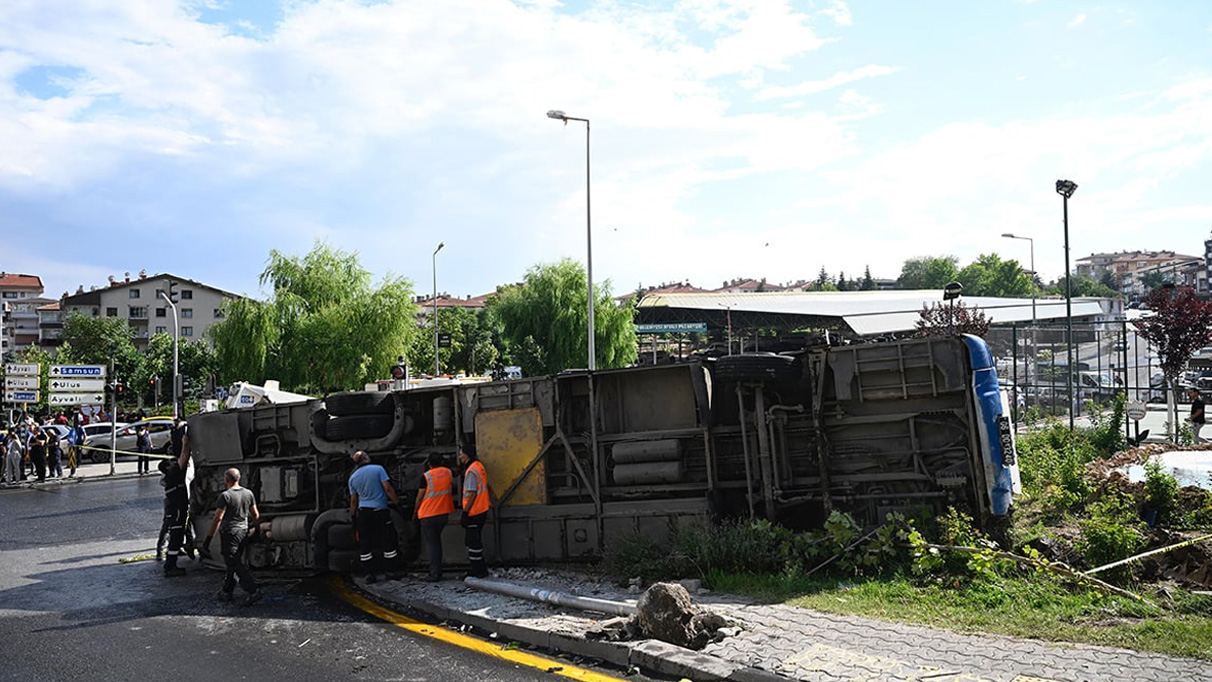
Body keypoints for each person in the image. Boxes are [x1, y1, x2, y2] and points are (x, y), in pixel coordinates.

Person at [203, 468, 261, 605]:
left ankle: (253, 590)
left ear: (226, 480)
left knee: (234, 564)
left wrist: (208, 540)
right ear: (239, 478)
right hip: (243, 532)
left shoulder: (225, 496)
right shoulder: (248, 493)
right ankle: (226, 591)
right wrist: (257, 531)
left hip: (230, 533)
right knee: (233, 562)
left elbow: (218, 518)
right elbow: (256, 515)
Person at [347, 450, 400, 583]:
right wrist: (397, 502)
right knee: (388, 540)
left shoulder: (353, 478)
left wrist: (353, 516)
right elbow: (388, 489)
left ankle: (369, 574)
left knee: (365, 544)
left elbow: (353, 501)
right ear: (365, 457)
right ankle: (390, 571)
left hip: (363, 513)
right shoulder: (378, 469)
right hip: (380, 511)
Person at [413, 452, 454, 582]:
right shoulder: (448, 473)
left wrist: (415, 512)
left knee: (433, 544)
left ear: (429, 464)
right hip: (443, 514)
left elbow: (419, 497)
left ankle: (435, 573)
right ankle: (437, 570)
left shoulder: (426, 477)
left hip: (428, 515)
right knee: (436, 543)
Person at [160, 434, 194, 576]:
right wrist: (185, 444)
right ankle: (170, 567)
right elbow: (183, 458)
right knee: (176, 539)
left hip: (175, 511)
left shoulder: (170, 479)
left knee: (177, 537)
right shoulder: (174, 476)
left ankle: (170, 564)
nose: (174, 463)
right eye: (171, 463)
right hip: (177, 512)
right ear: (168, 468)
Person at [458, 443, 491, 579]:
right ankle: (480, 569)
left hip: (474, 511)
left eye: (460, 453)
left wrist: (465, 512)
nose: (459, 456)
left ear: (466, 455)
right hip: (481, 509)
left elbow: (471, 493)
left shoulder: (471, 471)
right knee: (475, 541)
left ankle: (478, 571)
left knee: (473, 542)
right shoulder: (478, 466)